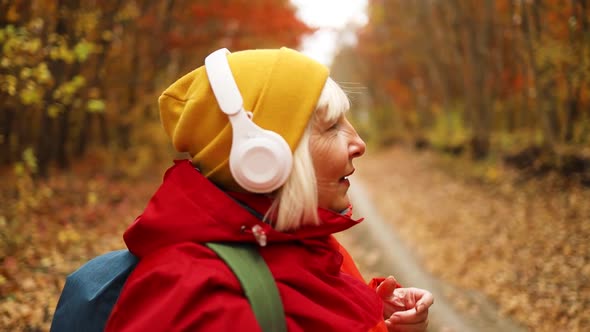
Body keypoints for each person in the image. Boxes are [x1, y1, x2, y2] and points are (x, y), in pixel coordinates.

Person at [105, 47, 433, 332]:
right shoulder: (200, 303)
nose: (359, 143)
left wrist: (378, 314)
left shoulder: (307, 243)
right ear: (260, 158)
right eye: (332, 127)